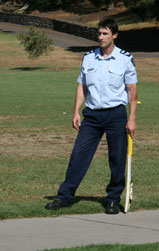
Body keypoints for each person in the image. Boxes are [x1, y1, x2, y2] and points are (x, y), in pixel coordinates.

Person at [45, 18, 138, 214]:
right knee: (78, 155)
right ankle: (64, 196)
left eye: (105, 34)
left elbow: (131, 90)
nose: (101, 37)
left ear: (114, 35)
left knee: (116, 159)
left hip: (116, 115)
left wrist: (131, 119)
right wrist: (76, 111)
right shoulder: (88, 57)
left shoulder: (125, 58)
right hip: (92, 116)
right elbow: (82, 85)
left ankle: (113, 199)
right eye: (99, 33)